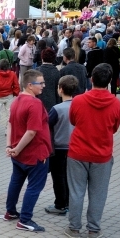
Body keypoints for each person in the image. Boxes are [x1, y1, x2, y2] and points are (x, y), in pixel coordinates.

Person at [63, 64, 120, 238]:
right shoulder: (116, 103)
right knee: (98, 193)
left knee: (76, 192)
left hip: (78, 152)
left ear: (91, 79)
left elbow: (73, 120)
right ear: (110, 81)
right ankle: (94, 230)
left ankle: (74, 228)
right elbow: (115, 128)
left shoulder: (79, 100)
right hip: (102, 154)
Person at [1, 69, 53, 232]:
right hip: (35, 153)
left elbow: (10, 124)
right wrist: (16, 148)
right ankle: (25, 219)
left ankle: (10, 211)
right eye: (41, 83)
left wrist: (10, 146)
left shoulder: (16, 100)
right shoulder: (35, 104)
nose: (44, 86)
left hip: (18, 154)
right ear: (30, 85)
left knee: (16, 181)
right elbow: (32, 131)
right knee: (34, 186)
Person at [45, 75, 77, 216]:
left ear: (60, 89)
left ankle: (60, 204)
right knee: (70, 177)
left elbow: (46, 125)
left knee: (58, 178)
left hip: (58, 148)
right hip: (74, 147)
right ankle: (70, 203)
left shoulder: (57, 109)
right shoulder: (78, 105)